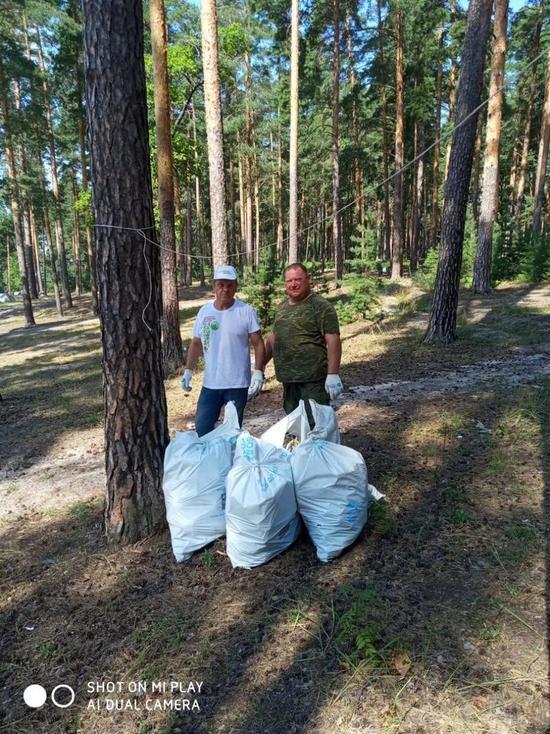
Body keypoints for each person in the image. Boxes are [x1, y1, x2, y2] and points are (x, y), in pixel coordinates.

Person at [181, 264, 265, 436]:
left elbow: (258, 343)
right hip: (211, 382)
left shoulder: (246, 311)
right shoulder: (205, 312)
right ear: (214, 286)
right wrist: (188, 370)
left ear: (236, 287)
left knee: (232, 431)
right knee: (202, 427)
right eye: (221, 284)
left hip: (237, 383)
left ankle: (229, 461)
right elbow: (196, 343)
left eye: (229, 285)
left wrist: (258, 372)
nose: (225, 289)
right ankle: (209, 460)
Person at [264, 262, 343, 421]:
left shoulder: (321, 307)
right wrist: (259, 368)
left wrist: (333, 374)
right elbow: (274, 338)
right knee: (295, 423)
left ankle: (322, 446)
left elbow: (333, 339)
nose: (293, 284)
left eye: (298, 280)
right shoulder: (282, 307)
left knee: (316, 423)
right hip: (289, 381)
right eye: (289, 281)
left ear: (308, 279)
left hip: (313, 381)